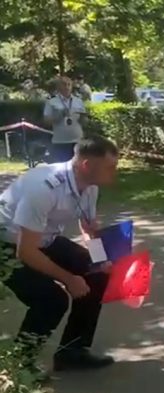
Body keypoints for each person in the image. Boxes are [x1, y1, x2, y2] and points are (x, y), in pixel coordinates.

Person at [0, 137, 119, 374]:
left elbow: (88, 228)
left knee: (97, 274)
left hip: (43, 239)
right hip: (6, 246)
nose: (115, 172)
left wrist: (100, 259)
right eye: (110, 167)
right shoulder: (43, 188)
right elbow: (26, 251)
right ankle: (19, 367)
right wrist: (69, 279)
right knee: (52, 300)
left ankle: (72, 352)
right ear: (86, 165)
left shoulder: (90, 187)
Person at [44, 76, 87, 163]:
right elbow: (46, 121)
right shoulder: (51, 102)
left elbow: (84, 121)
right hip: (60, 142)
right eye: (64, 84)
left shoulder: (78, 101)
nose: (67, 87)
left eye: (69, 84)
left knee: (78, 166)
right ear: (58, 87)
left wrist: (84, 118)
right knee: (62, 168)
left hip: (77, 140)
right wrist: (59, 116)